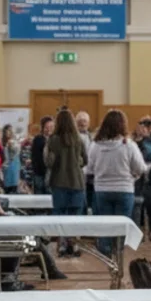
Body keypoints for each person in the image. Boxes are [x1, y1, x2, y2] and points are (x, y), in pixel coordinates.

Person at [87, 109, 146, 256]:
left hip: (102, 190)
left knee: (105, 226)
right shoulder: (129, 145)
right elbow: (141, 168)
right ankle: (117, 259)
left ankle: (106, 257)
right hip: (124, 189)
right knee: (120, 228)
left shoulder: (96, 145)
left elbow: (89, 169)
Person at [44, 109, 87, 256]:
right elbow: (85, 160)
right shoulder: (79, 139)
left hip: (59, 182)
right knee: (75, 216)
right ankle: (74, 244)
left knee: (60, 215)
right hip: (77, 182)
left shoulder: (53, 140)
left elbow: (49, 162)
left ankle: (62, 245)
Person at [30, 115, 54, 195]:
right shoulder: (38, 139)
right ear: (43, 128)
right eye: (47, 127)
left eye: (51, 127)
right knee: (39, 194)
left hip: (51, 174)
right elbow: (35, 157)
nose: (49, 129)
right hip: (39, 173)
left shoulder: (55, 139)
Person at [76, 111, 94, 213]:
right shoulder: (74, 137)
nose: (83, 124)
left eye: (85, 121)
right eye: (80, 121)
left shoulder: (91, 136)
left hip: (90, 172)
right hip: (79, 171)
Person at [1, 126, 21, 194]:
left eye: (10, 130)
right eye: (7, 130)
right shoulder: (3, 142)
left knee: (14, 185)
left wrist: (11, 145)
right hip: (6, 166)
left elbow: (17, 151)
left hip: (14, 164)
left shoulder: (14, 141)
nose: (9, 132)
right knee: (7, 185)